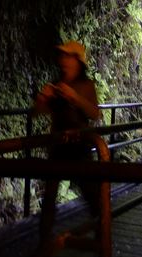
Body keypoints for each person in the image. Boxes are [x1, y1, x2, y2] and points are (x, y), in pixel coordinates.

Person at [33, 40, 101, 247]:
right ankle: (44, 241)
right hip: (58, 146)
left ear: (78, 61)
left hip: (79, 146)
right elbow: (37, 113)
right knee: (50, 197)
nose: (63, 60)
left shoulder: (86, 85)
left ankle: (102, 235)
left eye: (68, 56)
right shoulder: (55, 84)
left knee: (92, 195)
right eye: (62, 56)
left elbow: (94, 114)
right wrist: (42, 99)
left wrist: (75, 97)